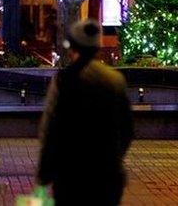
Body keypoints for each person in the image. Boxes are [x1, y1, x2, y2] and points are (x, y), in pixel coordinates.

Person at [37, 19, 134, 205]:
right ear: (97, 47)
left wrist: (44, 173)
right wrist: (114, 157)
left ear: (73, 47)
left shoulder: (64, 80)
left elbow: (50, 128)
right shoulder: (115, 80)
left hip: (70, 175)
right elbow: (127, 128)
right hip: (107, 174)